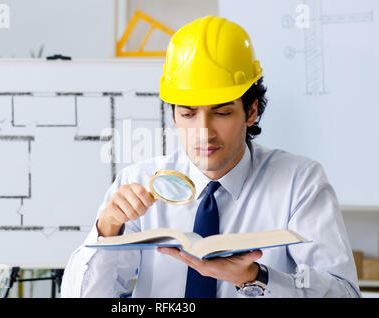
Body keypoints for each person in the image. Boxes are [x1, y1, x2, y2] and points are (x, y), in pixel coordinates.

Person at [61, 16, 360, 298]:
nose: (203, 132)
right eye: (188, 113)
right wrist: (107, 229)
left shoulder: (300, 183)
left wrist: (256, 277)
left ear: (251, 110)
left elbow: (344, 293)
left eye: (221, 112)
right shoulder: (136, 183)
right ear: (174, 115)